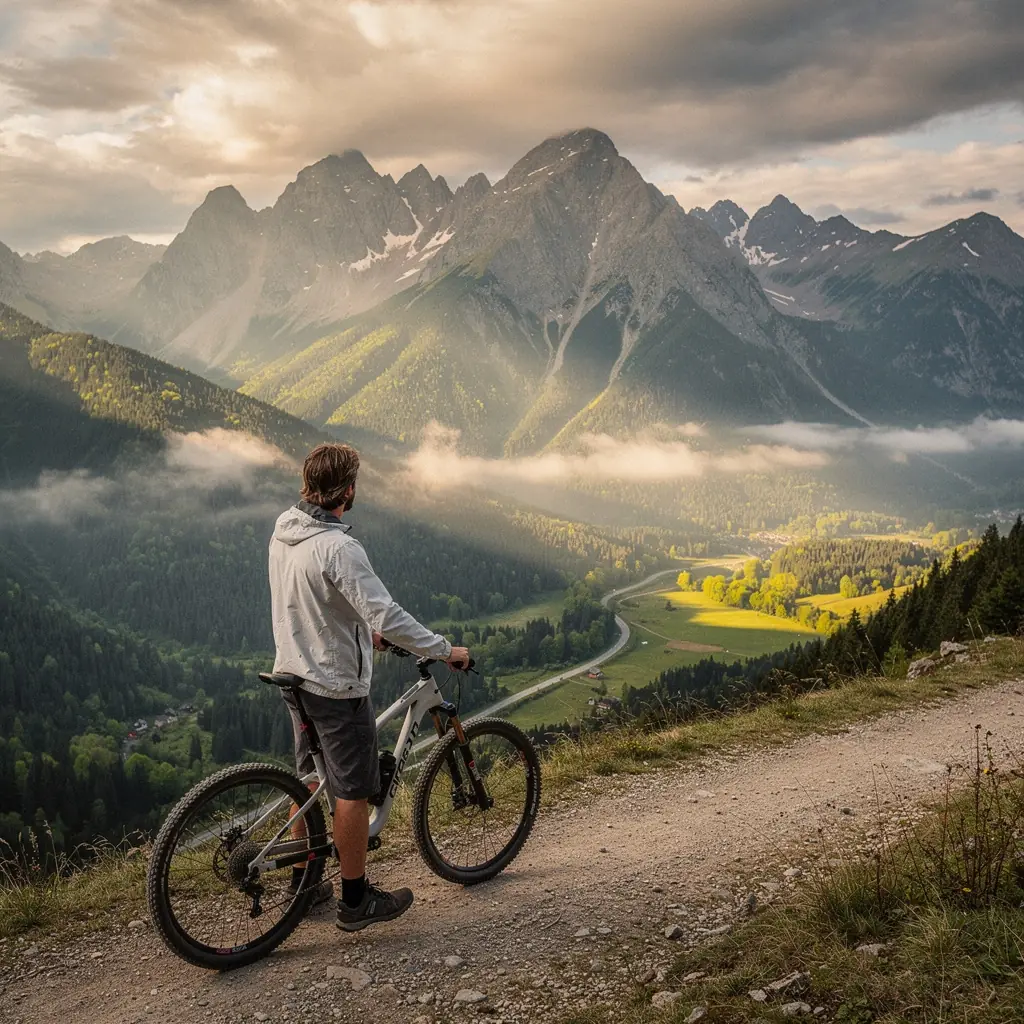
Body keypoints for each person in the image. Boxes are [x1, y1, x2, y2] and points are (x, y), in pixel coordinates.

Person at [269, 441, 470, 931]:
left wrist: (364, 631)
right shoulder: (340, 547)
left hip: (293, 673)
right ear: (349, 488)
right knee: (352, 792)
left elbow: (315, 601)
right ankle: (355, 901)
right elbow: (387, 612)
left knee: (311, 782)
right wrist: (445, 650)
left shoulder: (284, 531)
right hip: (335, 687)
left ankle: (304, 883)